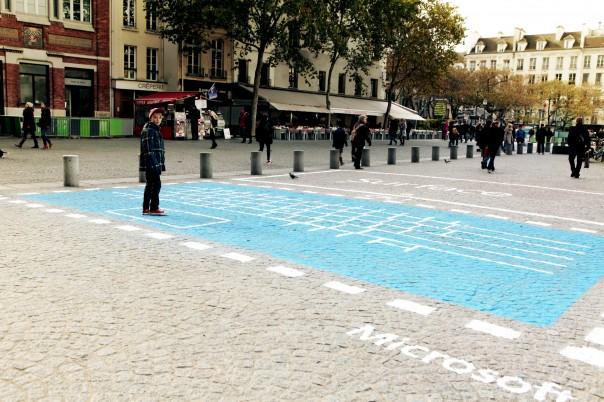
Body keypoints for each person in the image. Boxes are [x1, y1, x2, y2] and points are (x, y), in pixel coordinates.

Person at [139, 108, 166, 215]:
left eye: (159, 117)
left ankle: (146, 208)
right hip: (151, 163)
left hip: (154, 163)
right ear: (150, 118)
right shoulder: (149, 130)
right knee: (156, 184)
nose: (157, 119)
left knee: (150, 185)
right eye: (155, 117)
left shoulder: (154, 129)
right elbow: (148, 150)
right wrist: (154, 164)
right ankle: (153, 207)